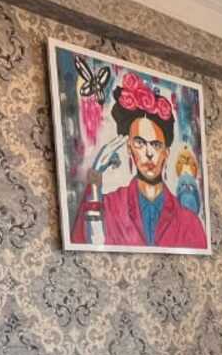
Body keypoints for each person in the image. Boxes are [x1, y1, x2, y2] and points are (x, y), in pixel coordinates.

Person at [70, 73, 207, 250]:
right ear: (129, 147)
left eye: (156, 145)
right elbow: (85, 245)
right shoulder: (110, 206)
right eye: (140, 143)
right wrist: (95, 179)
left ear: (166, 153)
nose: (149, 153)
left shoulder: (189, 223)